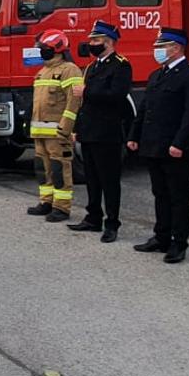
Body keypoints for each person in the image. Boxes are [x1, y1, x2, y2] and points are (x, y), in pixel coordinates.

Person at [128, 26, 189, 263]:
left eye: (162, 46)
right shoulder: (157, 75)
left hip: (175, 147)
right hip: (154, 144)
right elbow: (145, 109)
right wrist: (134, 135)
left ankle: (179, 242)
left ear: (177, 48)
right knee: (159, 193)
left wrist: (180, 143)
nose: (158, 50)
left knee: (178, 195)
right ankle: (161, 236)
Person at [66, 21, 132, 242]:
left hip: (107, 133)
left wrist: (88, 90)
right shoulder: (92, 67)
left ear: (109, 42)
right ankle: (93, 217)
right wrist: (77, 128)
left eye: (96, 40)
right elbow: (84, 103)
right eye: (92, 40)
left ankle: (112, 223)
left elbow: (116, 95)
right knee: (92, 179)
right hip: (89, 131)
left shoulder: (121, 66)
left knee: (109, 180)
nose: (91, 43)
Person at [24, 30, 83, 223]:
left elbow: (73, 101)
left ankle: (62, 207)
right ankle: (46, 202)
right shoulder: (43, 71)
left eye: (45, 49)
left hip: (57, 133)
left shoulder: (69, 70)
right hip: (40, 132)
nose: (41, 52)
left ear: (57, 49)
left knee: (59, 169)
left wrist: (66, 127)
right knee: (42, 168)